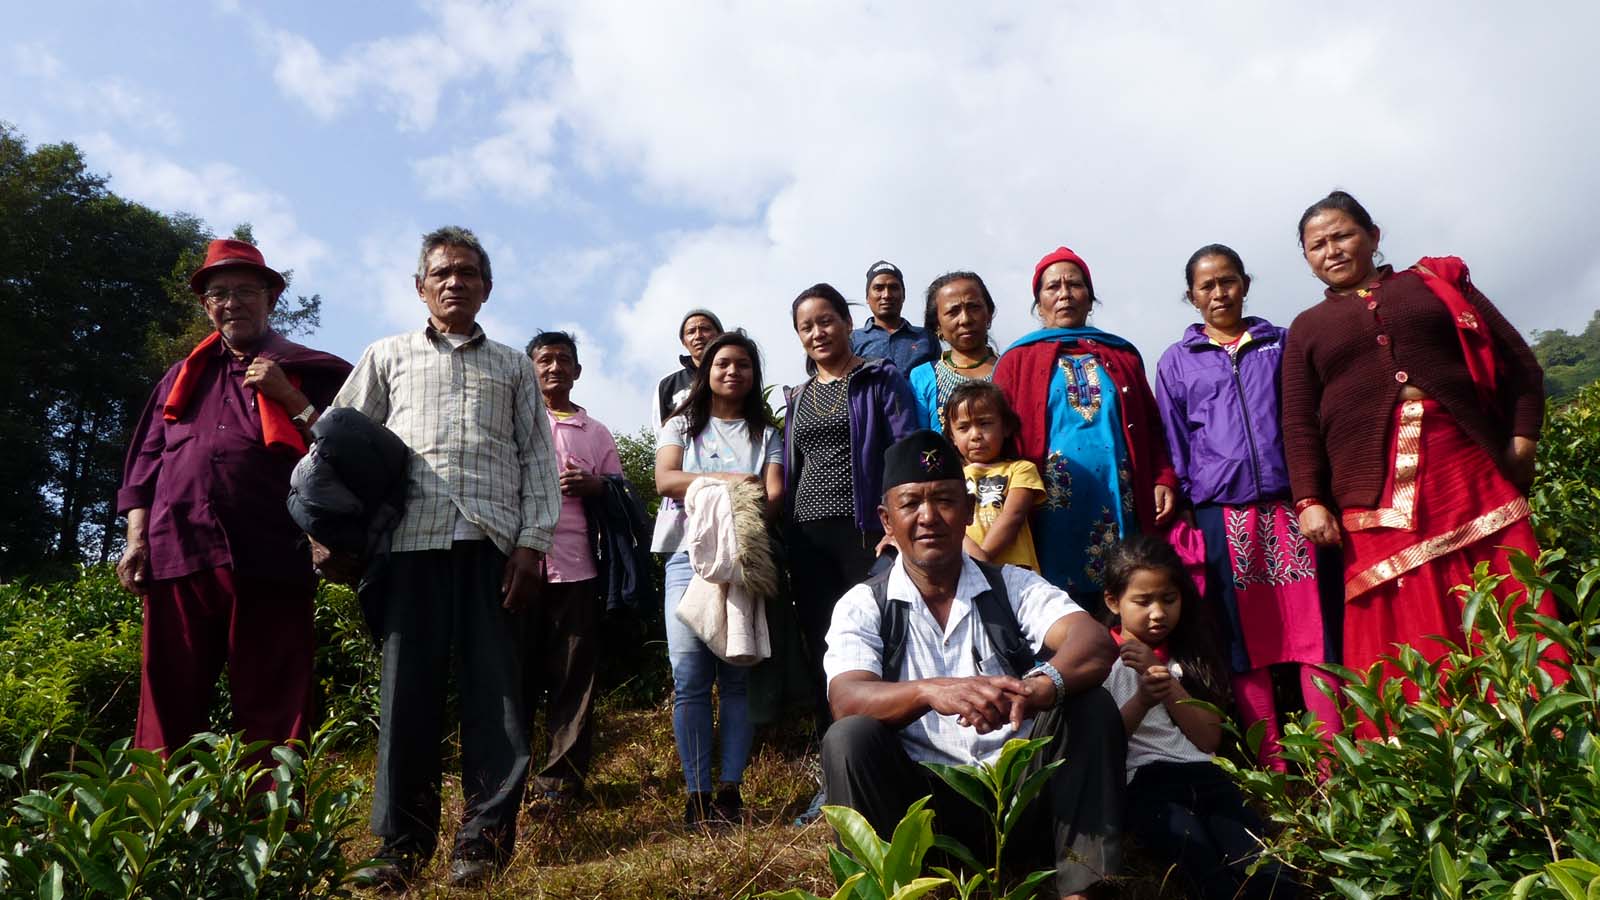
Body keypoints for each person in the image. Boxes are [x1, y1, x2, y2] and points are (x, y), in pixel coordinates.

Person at [1281, 191, 1562, 735]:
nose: (1331, 250)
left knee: (1505, 593)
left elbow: (1519, 364)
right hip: (1372, 492)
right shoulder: (1307, 328)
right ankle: (1423, 754)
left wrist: (1522, 443)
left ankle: (1541, 730)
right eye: (1316, 246)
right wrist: (1310, 500)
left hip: (1468, 467)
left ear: (1374, 235)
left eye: (1342, 235)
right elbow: (1297, 424)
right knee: (1402, 618)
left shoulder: (1434, 285)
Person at [334, 226, 560, 889]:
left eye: (468, 273)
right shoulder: (387, 356)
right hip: (407, 548)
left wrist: (531, 544)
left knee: (498, 705)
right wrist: (329, 530)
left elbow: (537, 460)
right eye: (443, 272)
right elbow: (339, 442)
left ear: (487, 287)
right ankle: (398, 850)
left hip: (493, 550)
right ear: (420, 285)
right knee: (408, 703)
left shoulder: (515, 365)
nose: (455, 282)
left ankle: (482, 846)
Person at [822, 430, 1124, 900]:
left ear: (967, 510)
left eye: (944, 500)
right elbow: (847, 698)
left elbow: (1092, 639)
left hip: (1019, 796)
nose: (928, 517)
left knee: (1089, 704)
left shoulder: (1014, 585)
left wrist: (1042, 686)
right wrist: (931, 692)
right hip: (922, 812)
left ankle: (1082, 888)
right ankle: (886, 889)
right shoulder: (864, 605)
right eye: (911, 504)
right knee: (850, 737)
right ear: (887, 519)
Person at [116, 239, 351, 757]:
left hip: (273, 553)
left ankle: (275, 833)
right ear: (207, 306)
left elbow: (348, 452)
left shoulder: (313, 371)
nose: (233, 303)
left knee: (275, 708)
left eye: (247, 290)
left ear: (271, 299)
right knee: (165, 707)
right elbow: (144, 466)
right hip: (178, 552)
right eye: (219, 293)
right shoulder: (179, 379)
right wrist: (136, 540)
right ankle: (163, 830)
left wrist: (289, 397)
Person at [1155, 244, 1340, 769]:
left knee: (1316, 635)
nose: (1219, 293)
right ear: (1191, 296)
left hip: (1292, 507)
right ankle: (1273, 768)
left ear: (1245, 284)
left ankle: (1333, 765)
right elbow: (1174, 443)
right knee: (1243, 644)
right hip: (1222, 514)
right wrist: (1188, 504)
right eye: (1207, 285)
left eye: (1228, 281)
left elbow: (1308, 419)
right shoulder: (1176, 361)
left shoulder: (1280, 344)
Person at [1101, 535, 1298, 900]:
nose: (1158, 612)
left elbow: (1208, 739)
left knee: (1264, 869)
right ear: (1113, 601)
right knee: (1204, 867)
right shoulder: (1100, 661)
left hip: (1206, 776)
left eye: (1169, 599)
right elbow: (1103, 746)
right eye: (1143, 602)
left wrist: (1163, 676)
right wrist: (1143, 700)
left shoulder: (1185, 655)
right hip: (1145, 784)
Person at [992, 246, 1179, 600]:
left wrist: (1163, 477)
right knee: (1054, 590)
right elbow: (999, 438)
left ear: (1090, 299)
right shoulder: (1016, 361)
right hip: (1046, 503)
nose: (1064, 293)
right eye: (1053, 287)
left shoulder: (1121, 355)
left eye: (1074, 285)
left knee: (1125, 580)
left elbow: (1152, 427)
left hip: (1118, 492)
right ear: (1039, 303)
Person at [653, 331, 784, 828]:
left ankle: (730, 791)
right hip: (686, 559)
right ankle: (696, 794)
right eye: (723, 363)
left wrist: (731, 508)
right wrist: (733, 483)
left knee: (735, 681)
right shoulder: (682, 425)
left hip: (744, 561)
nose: (733, 373)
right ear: (706, 370)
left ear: (754, 375)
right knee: (688, 679)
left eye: (744, 366)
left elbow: (773, 496)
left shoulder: (766, 434)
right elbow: (666, 479)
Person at [784, 283, 918, 720]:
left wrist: (898, 526)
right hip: (808, 537)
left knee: (876, 635)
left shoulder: (879, 377)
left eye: (826, 321)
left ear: (846, 323)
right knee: (821, 638)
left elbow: (903, 452)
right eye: (807, 327)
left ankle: (886, 747)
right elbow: (791, 468)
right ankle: (833, 752)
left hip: (866, 531)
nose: (818, 332)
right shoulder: (799, 396)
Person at [523, 330, 622, 805]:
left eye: (564, 360)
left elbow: (621, 496)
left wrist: (596, 485)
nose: (554, 367)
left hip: (578, 568)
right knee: (514, 675)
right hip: (517, 564)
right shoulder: (515, 421)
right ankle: (509, 781)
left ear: (578, 371)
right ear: (530, 368)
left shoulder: (597, 432)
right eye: (545, 359)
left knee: (574, 678)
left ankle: (560, 784)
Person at [944, 381, 1043, 571]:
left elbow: (1013, 515)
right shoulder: (950, 478)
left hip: (1014, 571)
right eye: (963, 428)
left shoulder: (1021, 469)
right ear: (952, 437)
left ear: (1006, 427)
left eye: (985, 424)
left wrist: (982, 560)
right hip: (963, 571)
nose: (975, 435)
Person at [907, 271, 999, 434]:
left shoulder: (1012, 369)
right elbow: (920, 444)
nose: (965, 319)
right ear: (937, 325)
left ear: (989, 314)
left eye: (973, 307)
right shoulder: (922, 378)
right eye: (953, 311)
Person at [849, 260, 939, 375]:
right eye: (878, 288)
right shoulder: (853, 340)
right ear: (867, 297)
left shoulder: (926, 338)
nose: (886, 295)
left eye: (893, 288)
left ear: (904, 295)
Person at [653, 309, 724, 429]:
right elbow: (660, 431)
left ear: (720, 336)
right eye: (691, 332)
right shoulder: (668, 385)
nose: (698, 336)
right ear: (683, 342)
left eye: (705, 329)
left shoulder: (734, 375)